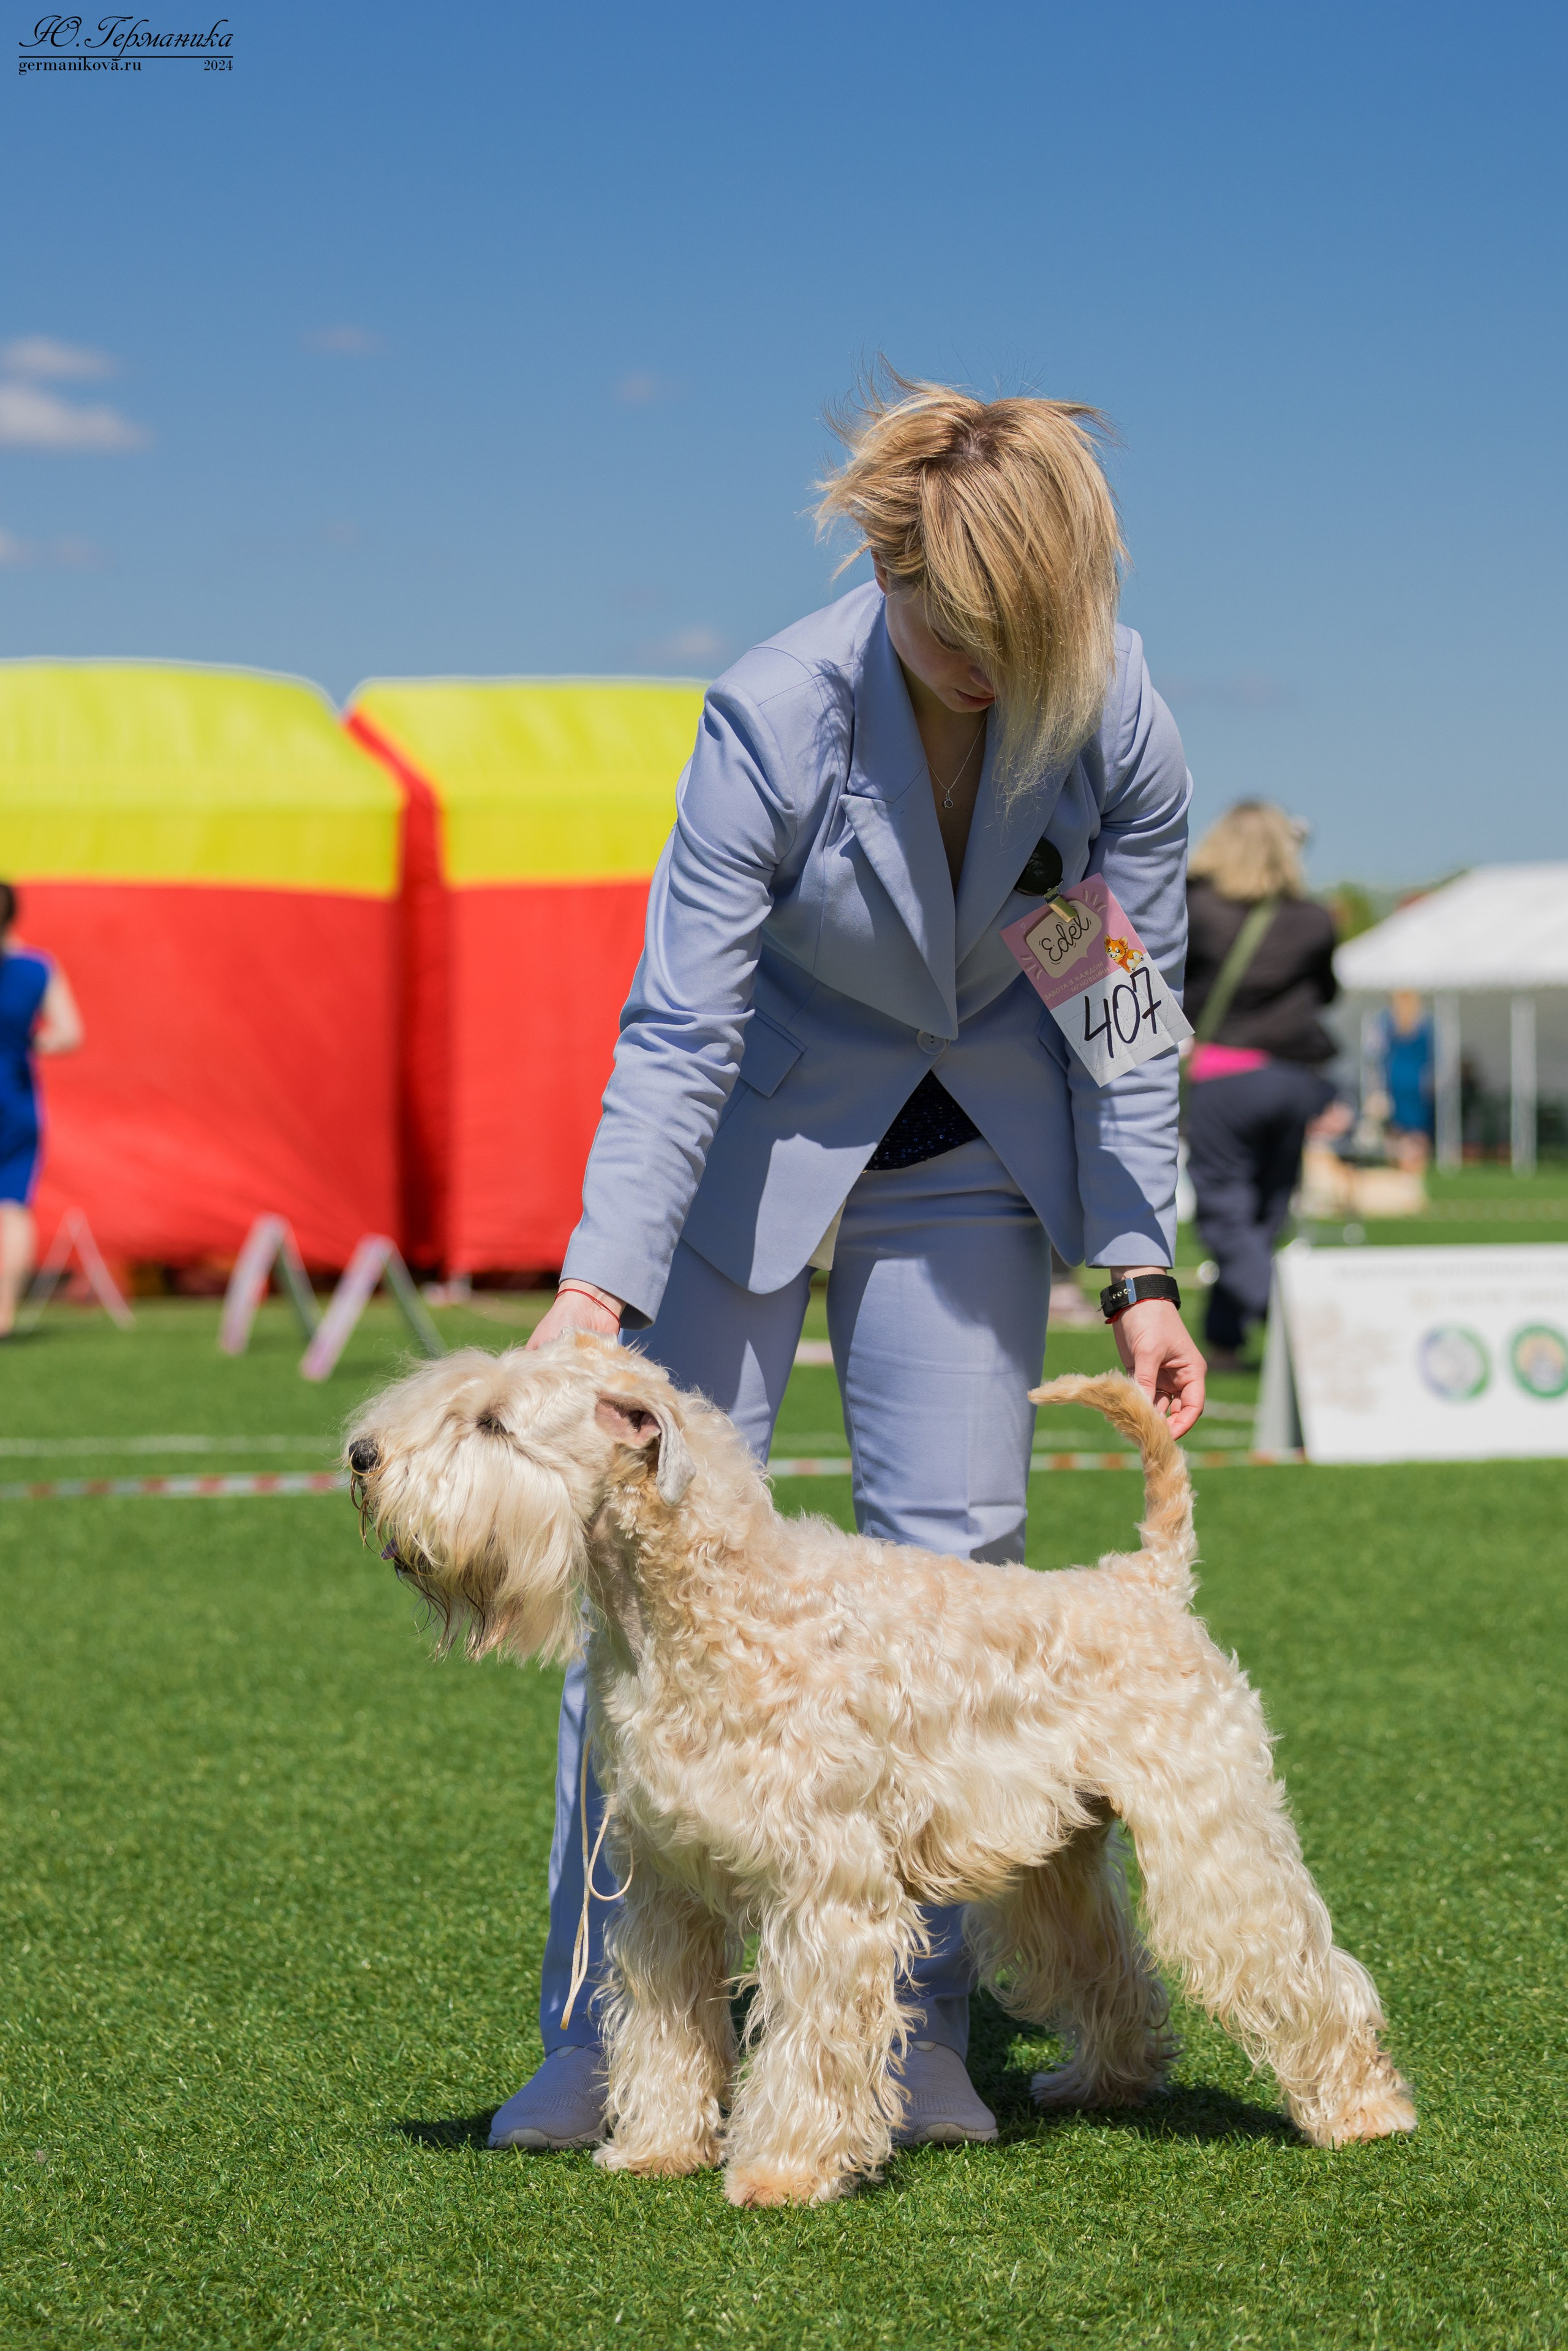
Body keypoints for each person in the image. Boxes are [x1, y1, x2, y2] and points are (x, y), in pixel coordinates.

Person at [490, 374, 1205, 2154]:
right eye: (947, 637)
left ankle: (917, 2034)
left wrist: (1136, 1265)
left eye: (1010, 645)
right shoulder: (766, 716)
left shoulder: (1111, 708)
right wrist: (595, 1294)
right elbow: (675, 1033)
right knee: (647, 1597)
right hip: (745, 1149)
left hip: (968, 1156)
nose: (979, 672)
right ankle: (604, 2034)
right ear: (884, 566)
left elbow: (1123, 1010)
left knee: (951, 1574)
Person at [1182, 804, 1337, 1371]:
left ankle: (1302, 1328)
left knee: (1226, 1216)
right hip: (1294, 1078)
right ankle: (1225, 1340)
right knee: (1264, 1218)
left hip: (1226, 1077)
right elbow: (1327, 993)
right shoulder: (1314, 919)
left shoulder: (1199, 908)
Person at [0, 881, 85, 1336]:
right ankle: (4, 1313)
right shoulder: (37, 968)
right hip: (12, 1096)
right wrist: (28, 1041)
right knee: (12, 1206)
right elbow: (69, 1032)